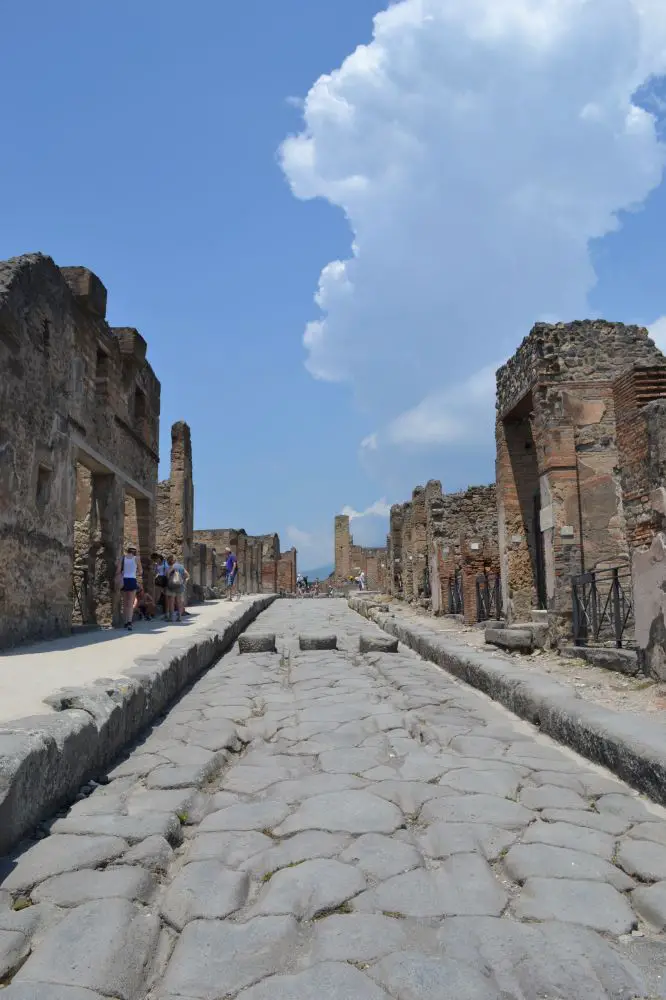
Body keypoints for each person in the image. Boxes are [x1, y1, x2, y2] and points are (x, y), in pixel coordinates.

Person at [116, 545, 140, 630]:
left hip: (124, 581)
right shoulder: (136, 558)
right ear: (135, 551)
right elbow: (140, 571)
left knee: (125, 603)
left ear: (128, 551)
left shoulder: (122, 558)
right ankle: (129, 622)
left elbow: (118, 570)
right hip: (132, 580)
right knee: (130, 603)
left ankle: (125, 621)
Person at [165, 554, 189, 621]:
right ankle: (179, 617)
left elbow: (167, 575)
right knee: (179, 602)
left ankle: (171, 617)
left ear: (170, 560)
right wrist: (184, 583)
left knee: (171, 602)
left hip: (171, 586)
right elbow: (187, 576)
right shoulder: (181, 566)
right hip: (180, 586)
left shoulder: (171, 566)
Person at [152, 551, 168, 617]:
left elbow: (167, 571)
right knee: (156, 596)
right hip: (159, 579)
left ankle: (166, 612)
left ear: (159, 558)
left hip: (165, 579)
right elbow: (155, 572)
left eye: (157, 559)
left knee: (167, 596)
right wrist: (154, 568)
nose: (156, 560)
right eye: (155, 559)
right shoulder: (157, 564)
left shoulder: (165, 563)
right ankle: (153, 612)